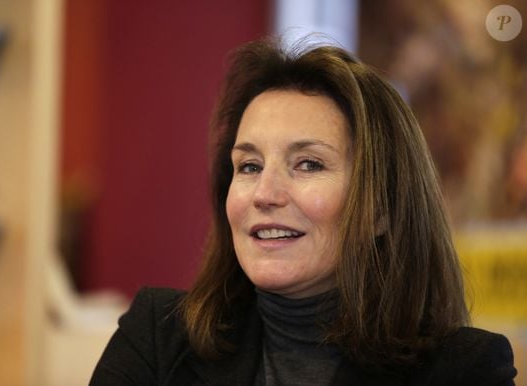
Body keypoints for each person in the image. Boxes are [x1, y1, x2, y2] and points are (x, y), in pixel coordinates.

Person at [90, 38, 517, 385]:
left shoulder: (464, 370)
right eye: (249, 166)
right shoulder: (157, 337)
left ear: (381, 210)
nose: (265, 193)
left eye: (308, 164)